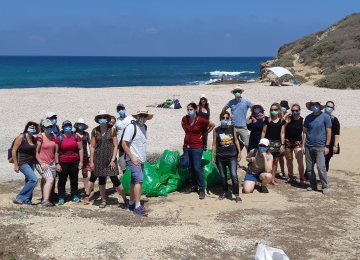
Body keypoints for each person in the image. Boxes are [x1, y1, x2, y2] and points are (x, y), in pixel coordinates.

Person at [83, 110, 125, 208]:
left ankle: (125, 199)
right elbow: (92, 147)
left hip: (110, 159)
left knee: (115, 179)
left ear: (107, 118)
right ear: (98, 119)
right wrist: (92, 161)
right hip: (98, 159)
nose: (102, 119)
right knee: (101, 180)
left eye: (104, 117)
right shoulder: (95, 130)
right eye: (100, 117)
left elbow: (115, 146)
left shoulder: (112, 130)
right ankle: (103, 200)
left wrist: (113, 159)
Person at [122, 107, 154, 216]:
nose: (143, 118)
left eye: (145, 116)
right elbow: (124, 143)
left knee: (134, 181)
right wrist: (132, 157)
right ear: (137, 116)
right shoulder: (131, 127)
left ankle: (131, 203)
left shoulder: (144, 127)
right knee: (139, 180)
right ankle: (137, 206)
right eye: (141, 115)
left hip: (141, 159)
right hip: (133, 158)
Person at [182, 102, 215, 199]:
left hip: (197, 147)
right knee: (190, 167)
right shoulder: (185, 118)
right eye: (188, 109)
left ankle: (201, 189)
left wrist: (204, 134)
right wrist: (186, 132)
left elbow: (212, 125)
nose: (189, 111)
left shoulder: (200, 120)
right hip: (187, 146)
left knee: (197, 168)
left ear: (196, 110)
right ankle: (193, 186)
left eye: (191, 109)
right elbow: (183, 124)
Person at [302, 101, 332, 195]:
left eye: (316, 105)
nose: (314, 107)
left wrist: (327, 146)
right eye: (313, 105)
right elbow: (305, 132)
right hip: (309, 146)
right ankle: (313, 184)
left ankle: (325, 186)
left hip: (320, 146)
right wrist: (303, 145)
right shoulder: (308, 118)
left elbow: (329, 132)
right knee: (309, 168)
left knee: (321, 167)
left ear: (319, 106)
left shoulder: (325, 117)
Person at [211, 111, 242, 203]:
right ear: (220, 118)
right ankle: (225, 191)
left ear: (229, 119)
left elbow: (236, 140)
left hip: (232, 156)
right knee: (223, 176)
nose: (225, 119)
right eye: (223, 118)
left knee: (234, 175)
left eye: (227, 118)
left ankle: (236, 195)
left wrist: (239, 152)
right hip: (220, 156)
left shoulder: (232, 128)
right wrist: (213, 156)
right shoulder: (216, 130)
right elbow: (214, 144)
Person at [55, 120, 84, 205]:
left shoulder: (76, 137)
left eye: (69, 126)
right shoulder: (59, 138)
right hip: (63, 161)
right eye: (66, 126)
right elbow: (56, 152)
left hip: (74, 161)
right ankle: (61, 196)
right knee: (62, 180)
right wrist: (57, 163)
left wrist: (81, 161)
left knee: (74, 179)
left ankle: (74, 195)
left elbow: (81, 149)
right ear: (63, 128)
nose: (68, 128)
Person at [12, 120, 39, 205]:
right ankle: (19, 197)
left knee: (29, 181)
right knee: (34, 180)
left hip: (32, 163)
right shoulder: (21, 137)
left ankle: (27, 201)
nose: (32, 127)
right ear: (27, 127)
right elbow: (14, 150)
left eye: (34, 126)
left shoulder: (34, 139)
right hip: (23, 163)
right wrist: (16, 165)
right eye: (30, 125)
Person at [222, 86, 253, 154]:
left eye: (238, 91)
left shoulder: (246, 101)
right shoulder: (231, 102)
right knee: (233, 144)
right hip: (233, 126)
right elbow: (224, 109)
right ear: (233, 93)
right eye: (235, 92)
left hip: (243, 126)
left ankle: (250, 161)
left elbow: (253, 108)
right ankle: (236, 162)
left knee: (247, 144)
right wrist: (227, 117)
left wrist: (250, 117)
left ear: (241, 92)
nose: (237, 93)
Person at [261, 103, 286, 185]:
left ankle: (272, 179)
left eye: (275, 109)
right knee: (267, 161)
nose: (273, 111)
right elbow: (264, 132)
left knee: (275, 161)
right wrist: (262, 143)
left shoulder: (282, 121)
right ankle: (266, 177)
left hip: (277, 143)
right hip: (268, 143)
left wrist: (282, 144)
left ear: (279, 110)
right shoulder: (267, 120)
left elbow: (282, 133)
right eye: (272, 110)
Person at [114, 103, 134, 202]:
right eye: (119, 109)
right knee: (123, 165)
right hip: (121, 147)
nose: (121, 110)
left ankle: (132, 184)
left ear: (125, 109)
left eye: (122, 109)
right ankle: (126, 184)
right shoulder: (117, 121)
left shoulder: (130, 119)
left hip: (130, 146)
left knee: (131, 165)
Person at [35, 119, 56, 207]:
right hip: (42, 162)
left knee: (45, 179)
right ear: (43, 127)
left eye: (50, 126)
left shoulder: (53, 136)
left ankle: (45, 196)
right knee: (50, 179)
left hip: (52, 162)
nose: (49, 128)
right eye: (47, 127)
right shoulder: (40, 137)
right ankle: (45, 200)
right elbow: (35, 152)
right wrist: (41, 163)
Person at [284, 104, 305, 184]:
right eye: (293, 110)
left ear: (299, 110)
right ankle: (290, 176)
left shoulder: (302, 120)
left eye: (296, 110)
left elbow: (305, 133)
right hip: (288, 140)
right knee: (289, 160)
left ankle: (302, 178)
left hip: (298, 141)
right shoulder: (288, 119)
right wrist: (286, 121)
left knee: (300, 160)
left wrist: (303, 144)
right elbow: (283, 129)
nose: (294, 112)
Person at [74, 118, 91, 193]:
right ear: (77, 125)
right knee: (74, 174)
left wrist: (91, 153)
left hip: (85, 156)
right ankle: (74, 190)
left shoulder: (86, 134)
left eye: (82, 124)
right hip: (75, 156)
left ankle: (86, 189)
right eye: (80, 124)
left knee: (85, 173)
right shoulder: (73, 134)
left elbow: (90, 143)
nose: (81, 126)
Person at [324, 101, 340, 171]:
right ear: (325, 107)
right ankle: (306, 176)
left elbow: (337, 134)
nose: (329, 108)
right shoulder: (319, 116)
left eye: (331, 107)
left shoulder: (334, 119)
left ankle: (323, 179)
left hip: (330, 143)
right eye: (328, 106)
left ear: (333, 109)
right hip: (319, 141)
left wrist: (335, 145)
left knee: (326, 161)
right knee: (313, 160)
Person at [278, 100, 290, 177]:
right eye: (282, 106)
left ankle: (290, 172)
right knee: (280, 156)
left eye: (284, 107)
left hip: (287, 138)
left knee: (288, 156)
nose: (283, 108)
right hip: (278, 137)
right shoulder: (277, 116)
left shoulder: (289, 117)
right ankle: (282, 171)